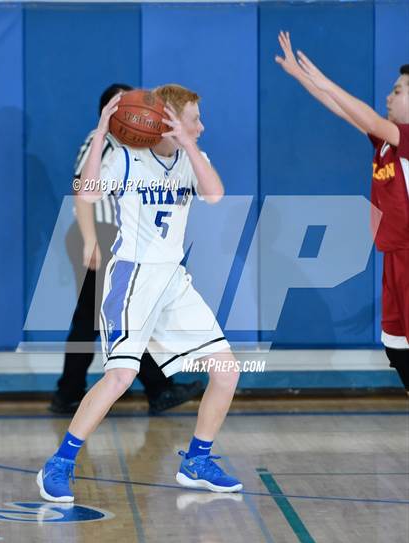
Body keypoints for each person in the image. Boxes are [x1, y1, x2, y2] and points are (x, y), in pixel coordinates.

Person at [37, 83, 243, 502]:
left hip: (173, 280)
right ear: (165, 120)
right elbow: (87, 193)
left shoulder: (191, 159)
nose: (201, 127)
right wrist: (100, 132)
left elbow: (216, 194)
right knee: (120, 376)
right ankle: (58, 464)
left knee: (227, 370)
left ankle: (197, 460)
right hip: (132, 279)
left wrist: (187, 144)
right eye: (194, 120)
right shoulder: (126, 159)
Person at [51, 83, 203, 416]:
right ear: (116, 109)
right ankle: (72, 392)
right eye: (133, 103)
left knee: (127, 315)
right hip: (102, 236)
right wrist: (91, 240)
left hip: (125, 238)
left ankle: (152, 388)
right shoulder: (100, 141)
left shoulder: (136, 143)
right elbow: (82, 191)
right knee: (93, 318)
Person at [275, 31, 409, 395]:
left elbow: (363, 112)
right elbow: (345, 110)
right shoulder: (385, 142)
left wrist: (325, 80)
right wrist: (301, 77)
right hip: (394, 258)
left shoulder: (407, 137)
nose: (389, 96)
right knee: (397, 349)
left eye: (398, 91)